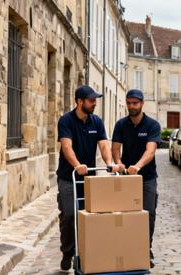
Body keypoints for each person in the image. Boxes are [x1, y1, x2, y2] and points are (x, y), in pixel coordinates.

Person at [56, 86, 119, 270]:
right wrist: (77, 165)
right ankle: (67, 252)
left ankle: (85, 253)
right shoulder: (66, 121)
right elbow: (67, 147)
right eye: (91, 100)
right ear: (79, 101)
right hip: (69, 177)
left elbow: (104, 145)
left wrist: (109, 163)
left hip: (89, 179)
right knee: (69, 215)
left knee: (87, 218)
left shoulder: (96, 122)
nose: (95, 103)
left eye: (95, 99)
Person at [111, 89, 163, 268]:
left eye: (135, 103)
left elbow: (151, 150)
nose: (132, 106)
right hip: (126, 178)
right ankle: (126, 248)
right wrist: (118, 163)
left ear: (142, 104)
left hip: (147, 177)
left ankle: (145, 249)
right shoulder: (121, 125)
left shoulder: (152, 125)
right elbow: (116, 148)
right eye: (129, 103)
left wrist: (138, 166)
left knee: (148, 215)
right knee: (124, 215)